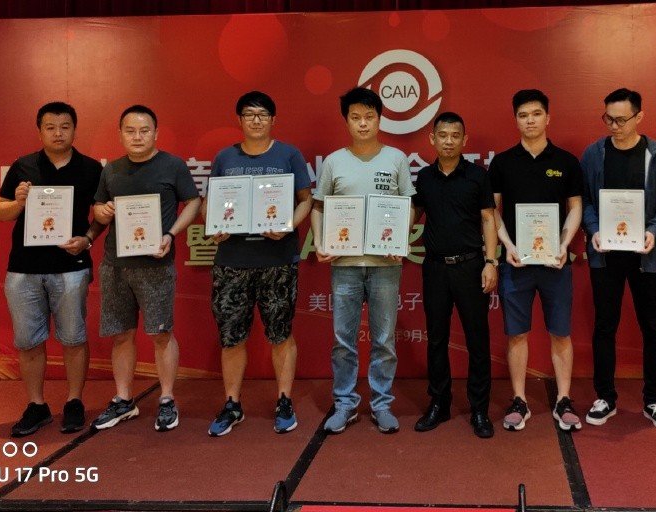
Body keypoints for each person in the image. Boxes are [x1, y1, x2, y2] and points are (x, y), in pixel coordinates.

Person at [204, 92, 313, 436]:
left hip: (277, 260)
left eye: (263, 114)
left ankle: (284, 400)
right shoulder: (225, 157)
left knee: (281, 333)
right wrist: (214, 226)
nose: (256, 120)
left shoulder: (289, 155)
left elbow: (306, 200)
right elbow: (210, 204)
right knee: (231, 336)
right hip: (232, 261)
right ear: (239, 119)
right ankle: (232, 403)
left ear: (273, 120)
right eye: (249, 114)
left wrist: (288, 225)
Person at [0, 102, 104, 436]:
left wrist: (87, 239)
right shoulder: (23, 166)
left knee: (73, 338)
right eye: (50, 127)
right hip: (24, 269)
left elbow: (102, 215)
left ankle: (74, 401)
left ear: (75, 129)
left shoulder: (91, 169)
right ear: (40, 130)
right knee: (28, 341)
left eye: (65, 126)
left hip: (71, 267)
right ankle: (36, 405)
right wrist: (19, 202)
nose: (58, 133)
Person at [311, 87, 415, 434]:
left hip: (386, 264)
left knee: (384, 339)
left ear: (380, 119)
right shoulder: (334, 161)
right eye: (355, 117)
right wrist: (321, 241)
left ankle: (382, 404)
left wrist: (400, 238)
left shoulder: (396, 159)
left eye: (369, 117)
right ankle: (345, 403)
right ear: (346, 121)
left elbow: (408, 206)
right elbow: (318, 207)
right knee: (344, 340)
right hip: (345, 264)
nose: (363, 123)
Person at [91, 105, 201, 432]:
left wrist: (171, 234)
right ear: (120, 134)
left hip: (156, 264)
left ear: (156, 133)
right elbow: (98, 208)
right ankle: (124, 400)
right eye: (130, 131)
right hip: (115, 265)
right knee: (122, 334)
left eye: (144, 131)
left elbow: (193, 202)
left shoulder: (173, 165)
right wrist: (101, 211)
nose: (137, 137)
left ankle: (166, 398)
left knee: (160, 333)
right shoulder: (111, 170)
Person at [580, 88, 656, 430]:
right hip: (605, 255)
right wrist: (593, 229)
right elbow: (585, 200)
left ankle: (654, 399)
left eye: (621, 120)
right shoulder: (594, 154)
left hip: (645, 256)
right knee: (604, 326)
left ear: (639, 117)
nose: (614, 126)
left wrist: (654, 230)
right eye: (608, 119)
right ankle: (605, 397)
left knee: (652, 326)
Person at [489, 89, 583, 432]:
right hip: (517, 264)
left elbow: (575, 208)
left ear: (548, 117)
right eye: (523, 115)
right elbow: (492, 211)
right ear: (516, 120)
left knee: (561, 333)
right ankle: (519, 399)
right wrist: (508, 245)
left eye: (536, 113)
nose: (530, 120)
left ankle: (564, 399)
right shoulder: (502, 163)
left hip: (555, 263)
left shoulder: (566, 162)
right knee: (517, 334)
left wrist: (564, 244)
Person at [412, 112, 499, 438]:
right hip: (435, 267)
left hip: (470, 266)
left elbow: (488, 219)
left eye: (455, 135)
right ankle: (439, 403)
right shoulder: (424, 177)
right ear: (432, 139)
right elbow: (414, 212)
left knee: (477, 339)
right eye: (442, 135)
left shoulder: (477, 176)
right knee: (436, 338)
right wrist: (387, 235)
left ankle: (479, 409)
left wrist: (491, 262)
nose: (448, 141)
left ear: (465, 140)